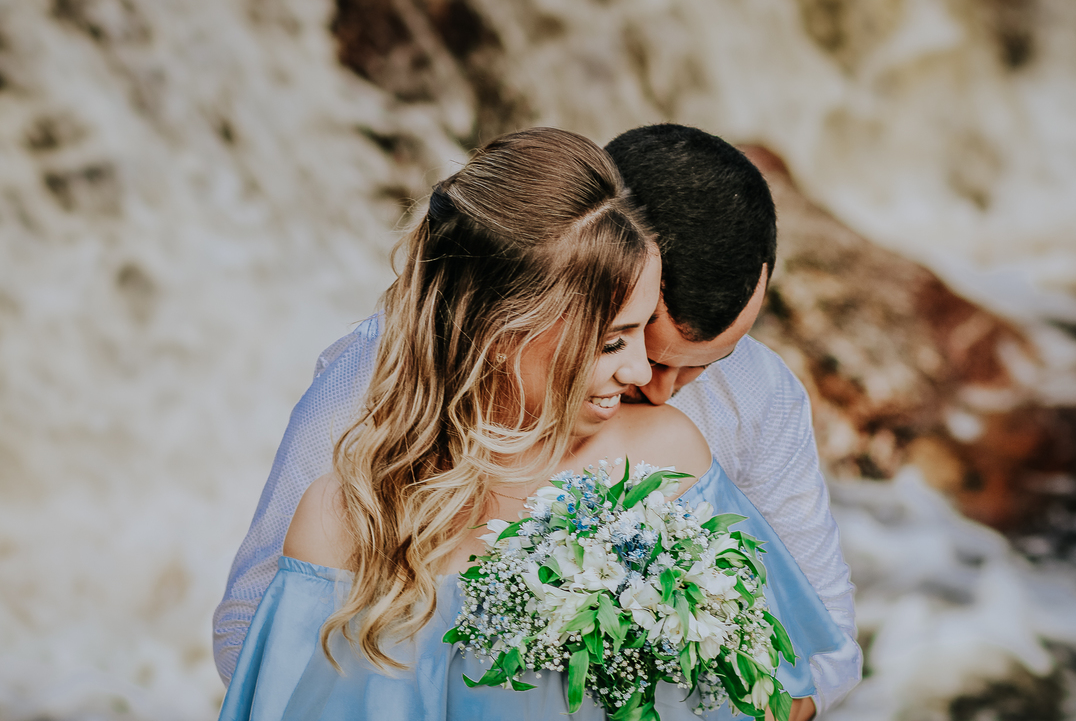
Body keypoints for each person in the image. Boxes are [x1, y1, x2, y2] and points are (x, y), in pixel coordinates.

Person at [214, 124, 862, 716]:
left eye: (700, 367)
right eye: (618, 340)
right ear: (512, 330)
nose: (649, 381)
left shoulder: (699, 433)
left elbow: (807, 662)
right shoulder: (359, 420)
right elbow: (262, 644)